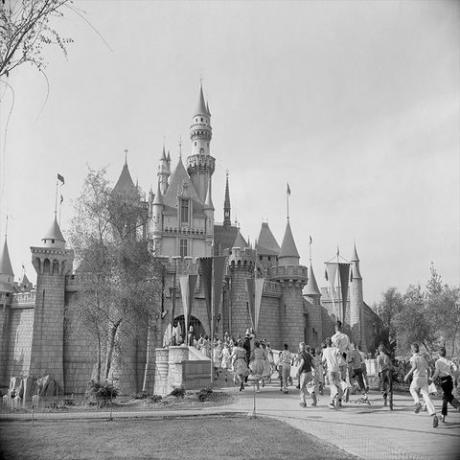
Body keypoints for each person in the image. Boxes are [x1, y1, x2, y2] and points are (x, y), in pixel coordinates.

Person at [404, 343, 439, 428]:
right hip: (424, 378)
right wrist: (429, 378)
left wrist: (407, 375)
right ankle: (434, 415)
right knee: (426, 396)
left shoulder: (413, 358)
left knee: (412, 389)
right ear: (418, 349)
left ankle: (417, 402)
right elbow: (429, 369)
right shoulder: (422, 358)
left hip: (417, 378)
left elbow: (414, 366)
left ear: (412, 350)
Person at [432, 347, 460, 423]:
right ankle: (443, 415)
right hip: (450, 380)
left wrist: (432, 379)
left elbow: (437, 372)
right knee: (447, 397)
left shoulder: (437, 362)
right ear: (445, 354)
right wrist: (456, 378)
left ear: (438, 354)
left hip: (444, 381)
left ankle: (444, 414)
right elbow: (456, 370)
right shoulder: (449, 361)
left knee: (447, 397)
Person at [322, 337, 343, 409]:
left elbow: (323, 361)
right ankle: (336, 402)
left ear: (326, 343)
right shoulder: (335, 349)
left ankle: (336, 395)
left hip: (330, 370)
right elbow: (340, 354)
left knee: (333, 386)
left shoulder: (325, 351)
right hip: (336, 370)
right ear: (331, 343)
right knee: (337, 384)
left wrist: (323, 366)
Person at [297, 342, 317, 407]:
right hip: (310, 372)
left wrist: (298, 371)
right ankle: (314, 401)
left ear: (300, 348)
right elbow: (312, 362)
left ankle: (303, 402)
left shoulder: (301, 354)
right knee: (310, 387)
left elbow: (302, 362)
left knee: (302, 388)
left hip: (304, 373)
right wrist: (315, 369)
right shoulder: (308, 354)